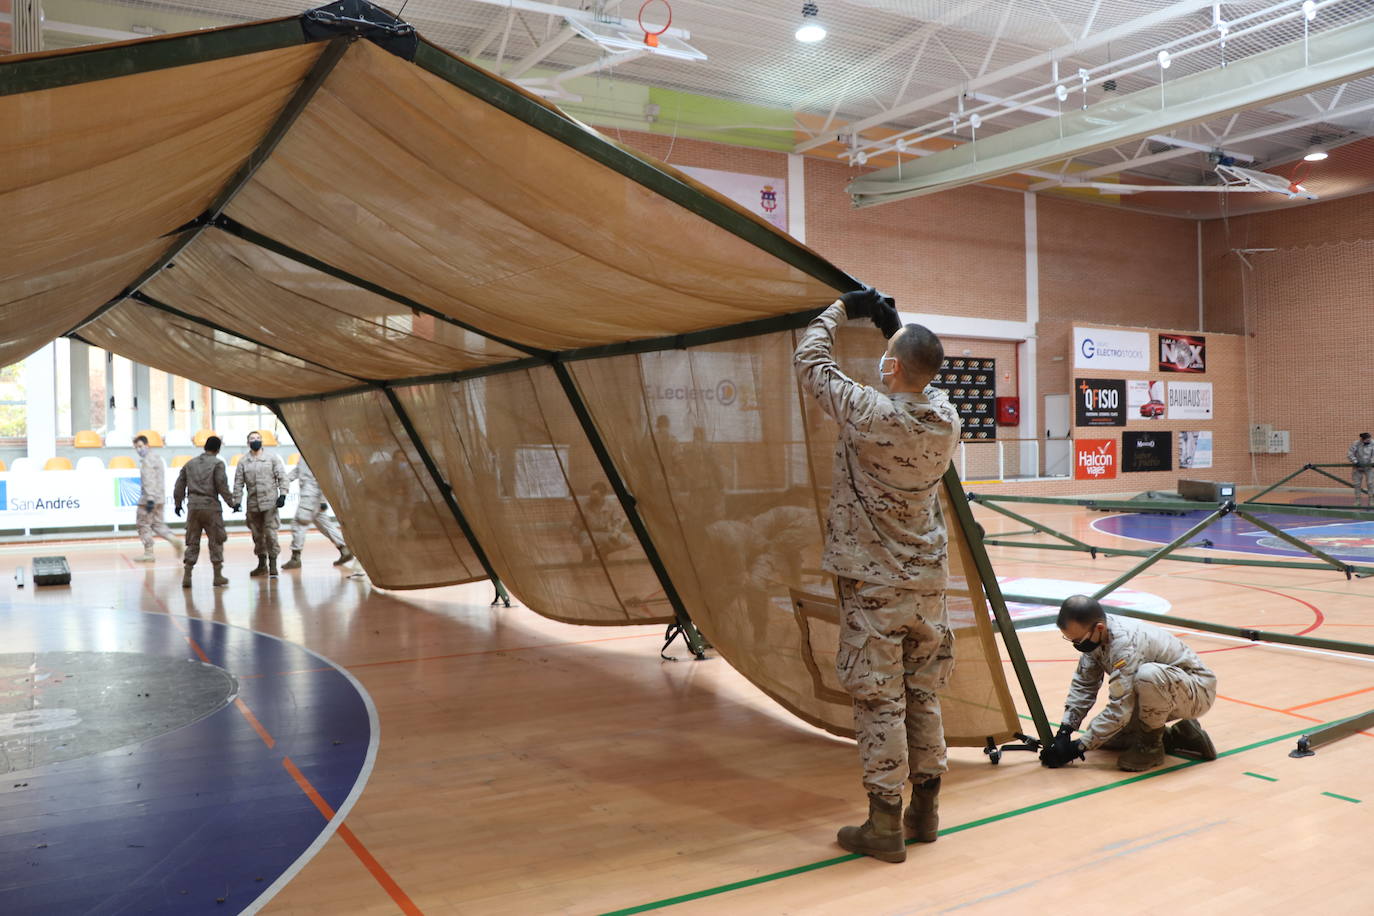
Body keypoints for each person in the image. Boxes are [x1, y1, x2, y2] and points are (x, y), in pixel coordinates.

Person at [794, 286, 961, 864]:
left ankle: (884, 823)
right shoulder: (946, 418)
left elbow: (810, 362)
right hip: (928, 586)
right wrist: (896, 328)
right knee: (923, 693)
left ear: (891, 367)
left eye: (887, 356)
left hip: (874, 587)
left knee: (879, 701)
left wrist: (841, 309)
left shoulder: (869, 412)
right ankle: (926, 812)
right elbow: (924, 377)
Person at [1040, 595, 1218, 772]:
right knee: (1106, 736)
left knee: (1148, 675)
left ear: (1099, 628)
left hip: (1197, 691)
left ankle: (1151, 746)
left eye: (1079, 641)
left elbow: (1120, 709)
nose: (1077, 645)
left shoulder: (1124, 645)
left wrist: (1077, 748)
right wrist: (1065, 730)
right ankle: (1182, 736)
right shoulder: (1096, 634)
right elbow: (1084, 684)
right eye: (1071, 641)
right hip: (1167, 691)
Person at [173, 436, 238, 588]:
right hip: (211, 508)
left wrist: (178, 504)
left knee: (192, 541)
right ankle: (217, 576)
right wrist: (232, 503)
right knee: (216, 541)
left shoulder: (190, 464)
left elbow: (179, 485)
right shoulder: (218, 464)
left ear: (204, 447)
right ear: (218, 449)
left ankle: (187, 575)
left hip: (193, 508)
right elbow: (222, 486)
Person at [232, 431, 288, 578]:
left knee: (271, 534)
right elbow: (238, 483)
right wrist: (237, 501)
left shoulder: (272, 458)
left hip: (270, 503)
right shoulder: (243, 461)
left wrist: (283, 494)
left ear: (262, 441)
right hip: (253, 504)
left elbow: (282, 477)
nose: (255, 440)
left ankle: (273, 564)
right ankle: (262, 565)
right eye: (252, 439)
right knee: (257, 536)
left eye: (258, 438)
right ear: (248, 443)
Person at [281, 460, 353, 569]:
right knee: (325, 525)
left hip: (311, 497)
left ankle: (295, 558)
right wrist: (281, 480)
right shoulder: (304, 457)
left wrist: (323, 500)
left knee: (298, 524)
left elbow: (324, 478)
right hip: (313, 497)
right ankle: (345, 550)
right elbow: (297, 471)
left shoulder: (315, 456)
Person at [131, 434, 183, 562]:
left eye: (140, 446)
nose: (138, 449)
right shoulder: (157, 458)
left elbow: (148, 480)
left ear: (147, 445)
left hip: (149, 498)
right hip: (160, 498)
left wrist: (149, 498)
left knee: (143, 524)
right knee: (158, 524)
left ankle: (148, 553)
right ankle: (174, 540)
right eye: (136, 447)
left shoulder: (147, 461)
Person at [1349, 432, 1374, 508]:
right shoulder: (1356, 443)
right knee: (1357, 484)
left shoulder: (1373, 443)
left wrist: (1372, 462)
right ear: (1362, 439)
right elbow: (1350, 454)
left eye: (1369, 439)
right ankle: (1358, 501)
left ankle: (1371, 500)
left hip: (1368, 467)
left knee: (1370, 483)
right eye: (1367, 439)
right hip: (1357, 467)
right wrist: (1355, 462)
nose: (1368, 440)